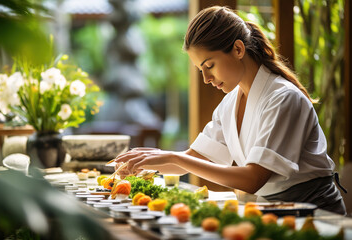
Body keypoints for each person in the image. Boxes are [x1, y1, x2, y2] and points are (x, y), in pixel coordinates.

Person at [115, 6, 347, 215]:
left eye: (209, 66)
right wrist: (145, 161)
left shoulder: (283, 98)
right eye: (200, 70)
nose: (206, 79)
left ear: (238, 49)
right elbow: (194, 158)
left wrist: (175, 157)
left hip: (315, 213)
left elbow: (252, 179)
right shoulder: (231, 102)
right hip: (272, 210)